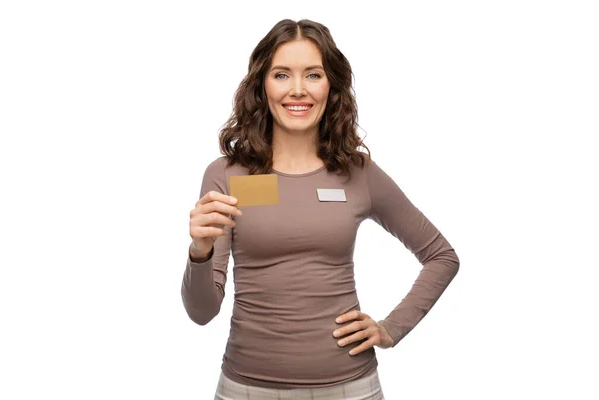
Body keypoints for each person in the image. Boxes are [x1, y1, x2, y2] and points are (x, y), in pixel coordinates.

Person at [181, 18, 460, 400]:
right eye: (282, 75)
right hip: (246, 388)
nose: (298, 90)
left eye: (312, 75)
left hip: (350, 387)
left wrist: (391, 327)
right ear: (262, 86)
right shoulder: (227, 175)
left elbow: (442, 256)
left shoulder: (358, 173)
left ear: (331, 86)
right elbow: (202, 312)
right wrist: (200, 251)